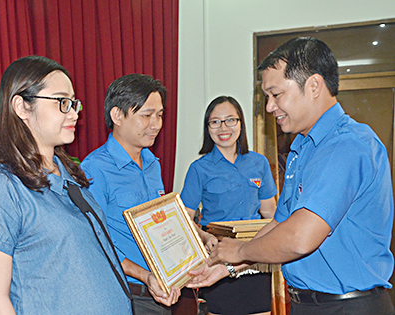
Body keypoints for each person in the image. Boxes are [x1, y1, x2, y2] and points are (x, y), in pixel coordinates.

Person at [187, 37, 395, 315]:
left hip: (348, 305)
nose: (270, 107)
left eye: (276, 94)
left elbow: (300, 237)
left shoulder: (348, 144)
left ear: (313, 86)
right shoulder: (301, 149)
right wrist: (229, 267)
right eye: (267, 97)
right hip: (305, 304)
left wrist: (238, 251)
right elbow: (280, 224)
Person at [0, 56, 133, 314]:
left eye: (73, 103)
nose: (74, 113)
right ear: (22, 107)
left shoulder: (70, 176)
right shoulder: (1, 186)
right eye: (62, 102)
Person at [81, 73, 180, 315]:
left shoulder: (152, 163)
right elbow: (96, 241)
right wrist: (146, 276)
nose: (156, 124)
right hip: (125, 295)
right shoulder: (94, 169)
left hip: (160, 292)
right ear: (117, 115)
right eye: (146, 115)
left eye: (159, 115)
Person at [180, 96, 277, 315]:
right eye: (215, 122)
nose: (223, 127)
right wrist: (206, 238)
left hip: (254, 258)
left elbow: (270, 212)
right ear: (208, 127)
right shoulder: (199, 169)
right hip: (219, 256)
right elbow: (185, 217)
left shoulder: (259, 163)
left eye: (230, 120)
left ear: (241, 124)